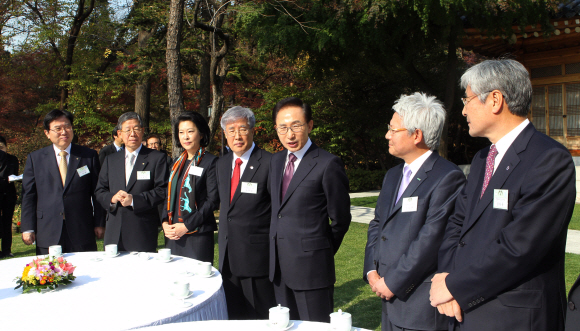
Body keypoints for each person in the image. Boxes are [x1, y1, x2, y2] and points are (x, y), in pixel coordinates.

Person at [430, 59, 576, 331]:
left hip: (514, 316)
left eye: (468, 99)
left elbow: (521, 246)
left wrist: (455, 286)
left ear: (495, 100)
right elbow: (457, 224)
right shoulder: (482, 158)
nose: (463, 110)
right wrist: (446, 276)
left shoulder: (548, 160)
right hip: (464, 309)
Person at [363, 93, 465, 331]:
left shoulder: (447, 177)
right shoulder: (393, 175)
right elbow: (378, 223)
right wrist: (371, 270)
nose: (387, 135)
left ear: (416, 134)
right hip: (387, 298)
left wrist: (394, 283)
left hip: (418, 304)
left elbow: (431, 239)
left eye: (393, 130)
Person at [269, 97, 351, 322]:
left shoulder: (327, 163)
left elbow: (341, 219)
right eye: (283, 128)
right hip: (278, 268)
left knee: (314, 326)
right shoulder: (275, 162)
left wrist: (319, 250)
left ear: (310, 125)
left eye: (296, 126)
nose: (290, 134)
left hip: (312, 269)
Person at [216, 106, 276, 319]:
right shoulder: (222, 164)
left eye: (242, 129)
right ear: (225, 134)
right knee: (233, 317)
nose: (237, 136)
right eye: (231, 130)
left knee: (259, 318)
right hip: (227, 258)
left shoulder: (270, 163)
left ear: (252, 130)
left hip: (257, 258)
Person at [21, 109, 105, 254]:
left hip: (81, 228)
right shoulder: (36, 159)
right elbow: (29, 195)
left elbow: (97, 192)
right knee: (49, 274)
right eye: (58, 128)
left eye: (67, 127)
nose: (64, 132)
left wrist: (99, 223)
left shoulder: (88, 156)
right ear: (47, 133)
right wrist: (28, 227)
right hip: (48, 230)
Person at [95, 112, 169, 252]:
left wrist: (134, 200)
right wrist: (112, 198)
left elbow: (162, 190)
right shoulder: (111, 160)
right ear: (120, 134)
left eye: (136, 129)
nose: (132, 134)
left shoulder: (156, 158)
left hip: (142, 230)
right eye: (127, 130)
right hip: (114, 232)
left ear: (142, 131)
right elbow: (100, 190)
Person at [161, 111, 218, 262]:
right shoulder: (176, 163)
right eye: (181, 132)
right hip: (173, 233)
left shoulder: (211, 162)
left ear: (201, 134)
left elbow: (212, 200)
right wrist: (165, 222)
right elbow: (168, 195)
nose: (185, 136)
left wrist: (186, 225)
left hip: (197, 233)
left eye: (190, 131)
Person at [0, 136, 19, 257]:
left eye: (2, 147)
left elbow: (15, 174)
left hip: (8, 195)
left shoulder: (12, 159)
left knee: (7, 222)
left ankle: (7, 250)